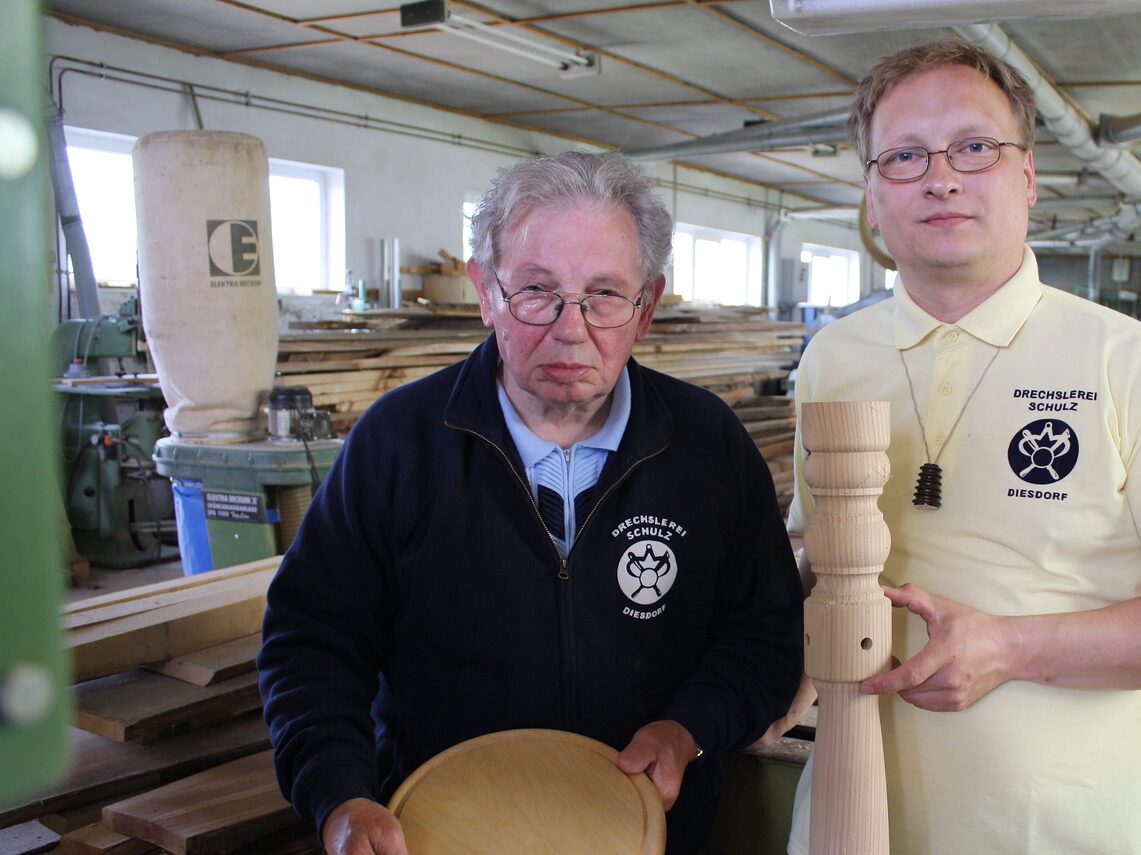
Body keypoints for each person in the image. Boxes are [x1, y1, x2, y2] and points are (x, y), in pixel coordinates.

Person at [785, 39, 1141, 854]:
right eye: (904, 156)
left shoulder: (1130, 364)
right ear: (870, 194)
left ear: (1029, 177)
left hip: (1053, 831)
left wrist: (1011, 646)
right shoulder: (834, 357)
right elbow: (816, 552)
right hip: (849, 818)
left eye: (975, 147)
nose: (941, 177)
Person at [258, 151, 804, 855]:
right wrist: (340, 793)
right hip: (439, 833)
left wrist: (689, 728)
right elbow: (312, 643)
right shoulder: (398, 444)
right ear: (486, 292)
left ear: (647, 308)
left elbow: (763, 634)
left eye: (605, 294)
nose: (571, 327)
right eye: (537, 291)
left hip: (651, 833)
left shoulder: (708, 446)